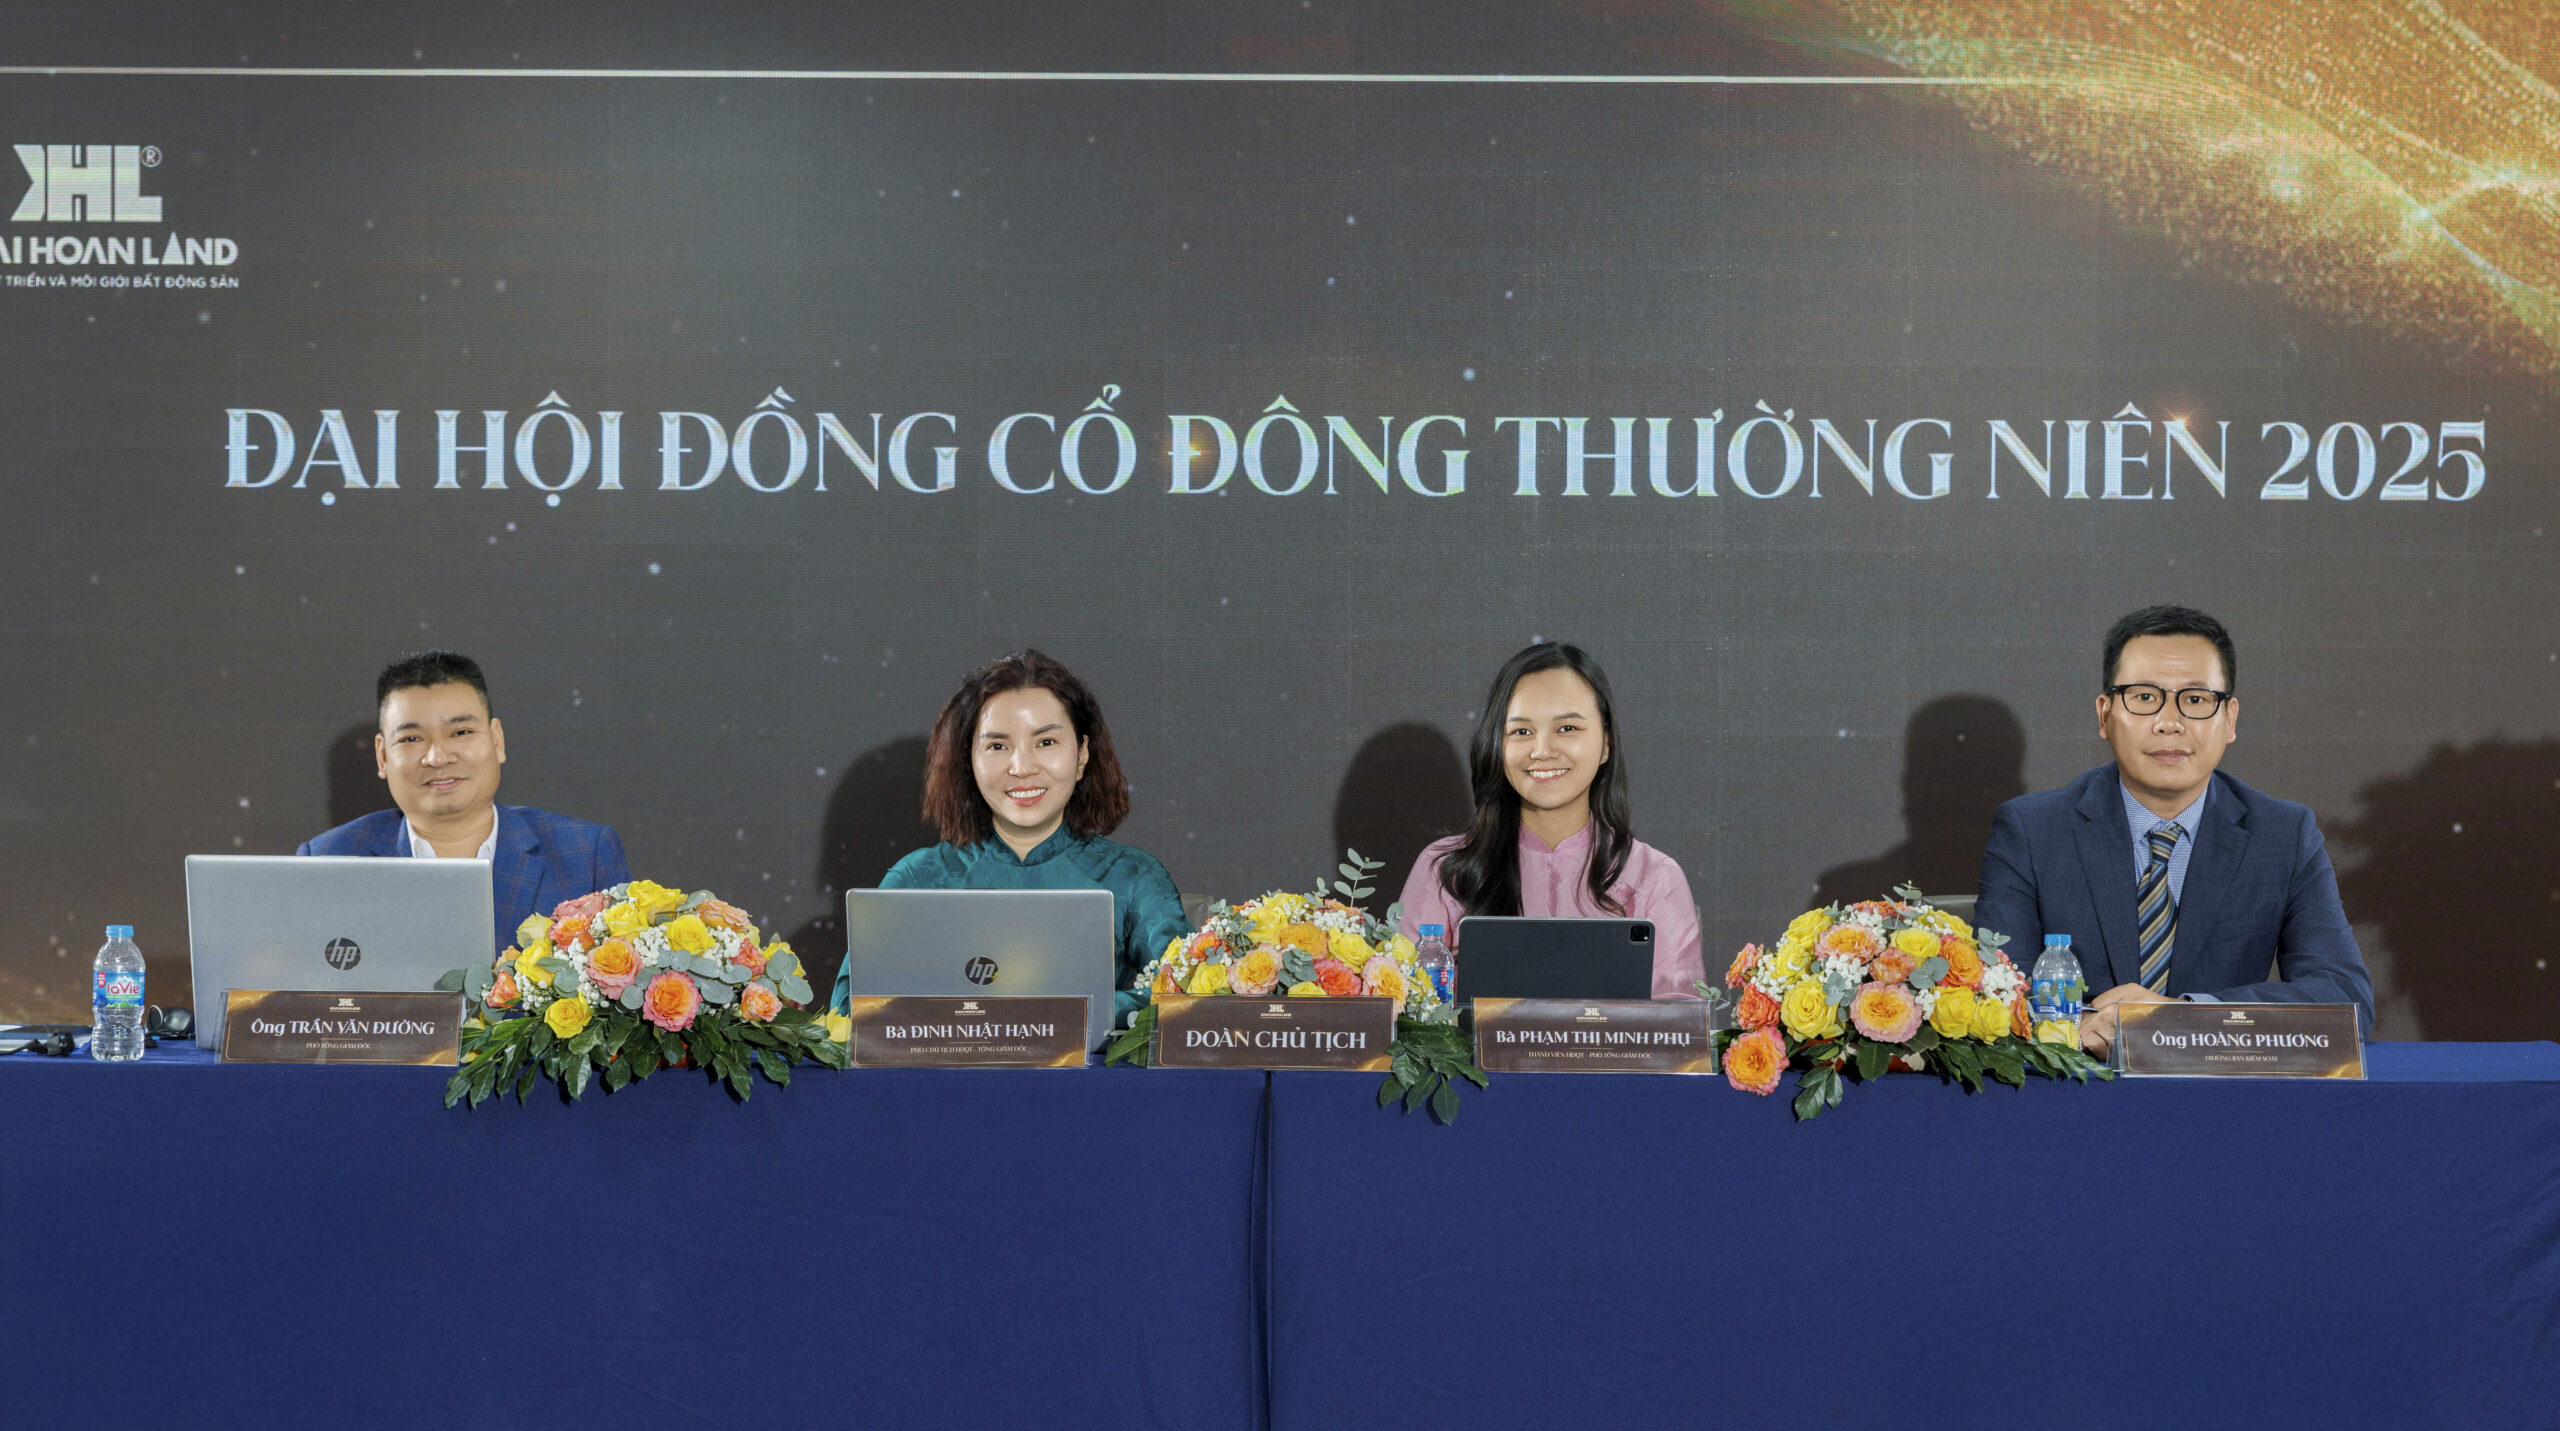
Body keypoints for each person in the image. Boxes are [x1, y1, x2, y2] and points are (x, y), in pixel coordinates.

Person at [1975, 605, 2374, 1056]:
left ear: (2230, 719)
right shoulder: (2033, 831)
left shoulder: (2282, 835)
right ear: (2105, 716)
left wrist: (2181, 1017)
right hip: (2081, 1084)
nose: (2170, 722)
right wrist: (2083, 1026)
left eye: (2196, 700)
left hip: (2220, 1091)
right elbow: (1997, 991)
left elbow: (2346, 999)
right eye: (2144, 697)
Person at [831, 650, 1189, 1021]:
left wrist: (1058, 1015)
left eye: (1046, 742)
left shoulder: (1134, 877)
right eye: (997, 746)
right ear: (968, 760)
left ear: (1082, 754)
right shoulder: (917, 879)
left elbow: (1184, 999)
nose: (1022, 768)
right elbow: (847, 1014)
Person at [1397, 642, 1705, 999]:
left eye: (1567, 728)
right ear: (1497, 745)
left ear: (1606, 744)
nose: (1542, 751)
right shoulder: (1445, 871)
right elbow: (1404, 1014)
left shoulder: (1653, 878)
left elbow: (1679, 1025)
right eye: (1522, 732)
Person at [297, 651, 633, 956]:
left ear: (497, 740)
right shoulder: (327, 861)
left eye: (461, 732)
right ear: (383, 756)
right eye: (411, 738)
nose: (438, 757)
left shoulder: (584, 856)